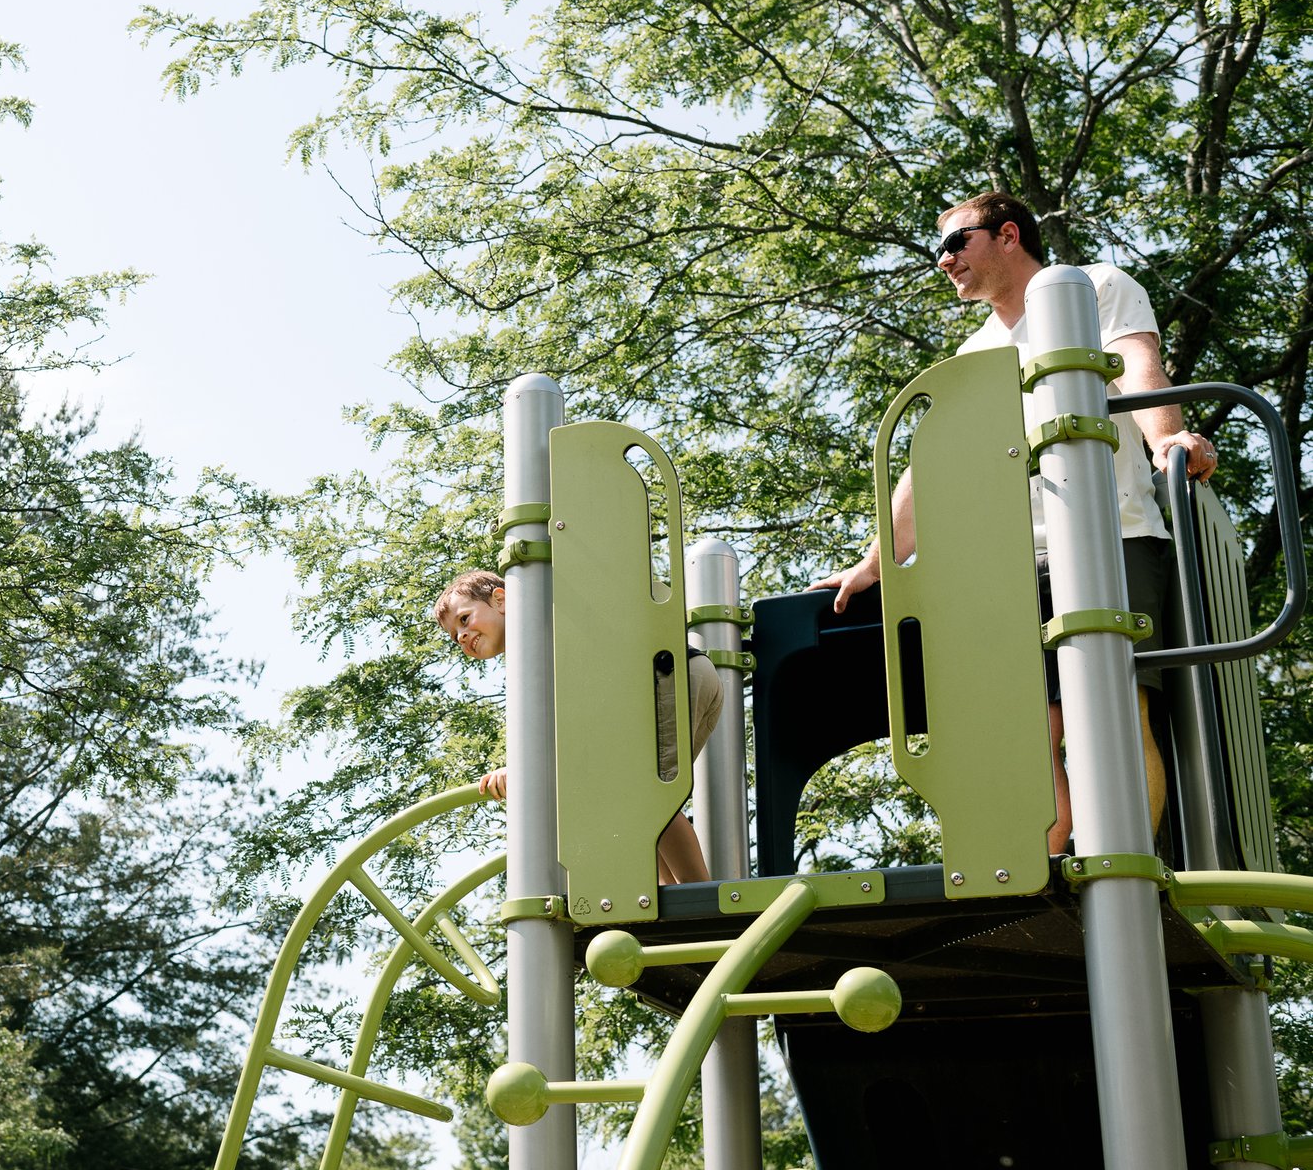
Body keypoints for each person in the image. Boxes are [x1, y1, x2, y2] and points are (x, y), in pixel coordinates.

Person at [812, 191, 1216, 851]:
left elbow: (1138, 364)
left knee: (1109, 716)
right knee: (1032, 735)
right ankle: (1045, 885)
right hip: (1016, 563)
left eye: (953, 244)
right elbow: (929, 469)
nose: (943, 261)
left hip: (1111, 535)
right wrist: (877, 560)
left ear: (1007, 234)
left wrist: (1166, 439)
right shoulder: (973, 355)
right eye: (935, 251)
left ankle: (1126, 879)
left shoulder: (1093, 287)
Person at [435, 568, 719, 883]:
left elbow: (547, 730)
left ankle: (697, 889)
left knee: (644, 793)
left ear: (500, 600)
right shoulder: (530, 646)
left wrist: (518, 770)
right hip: (678, 679)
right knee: (631, 799)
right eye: (454, 636)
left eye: (464, 619)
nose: (461, 636)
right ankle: (675, 891)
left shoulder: (537, 629)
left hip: (670, 677)